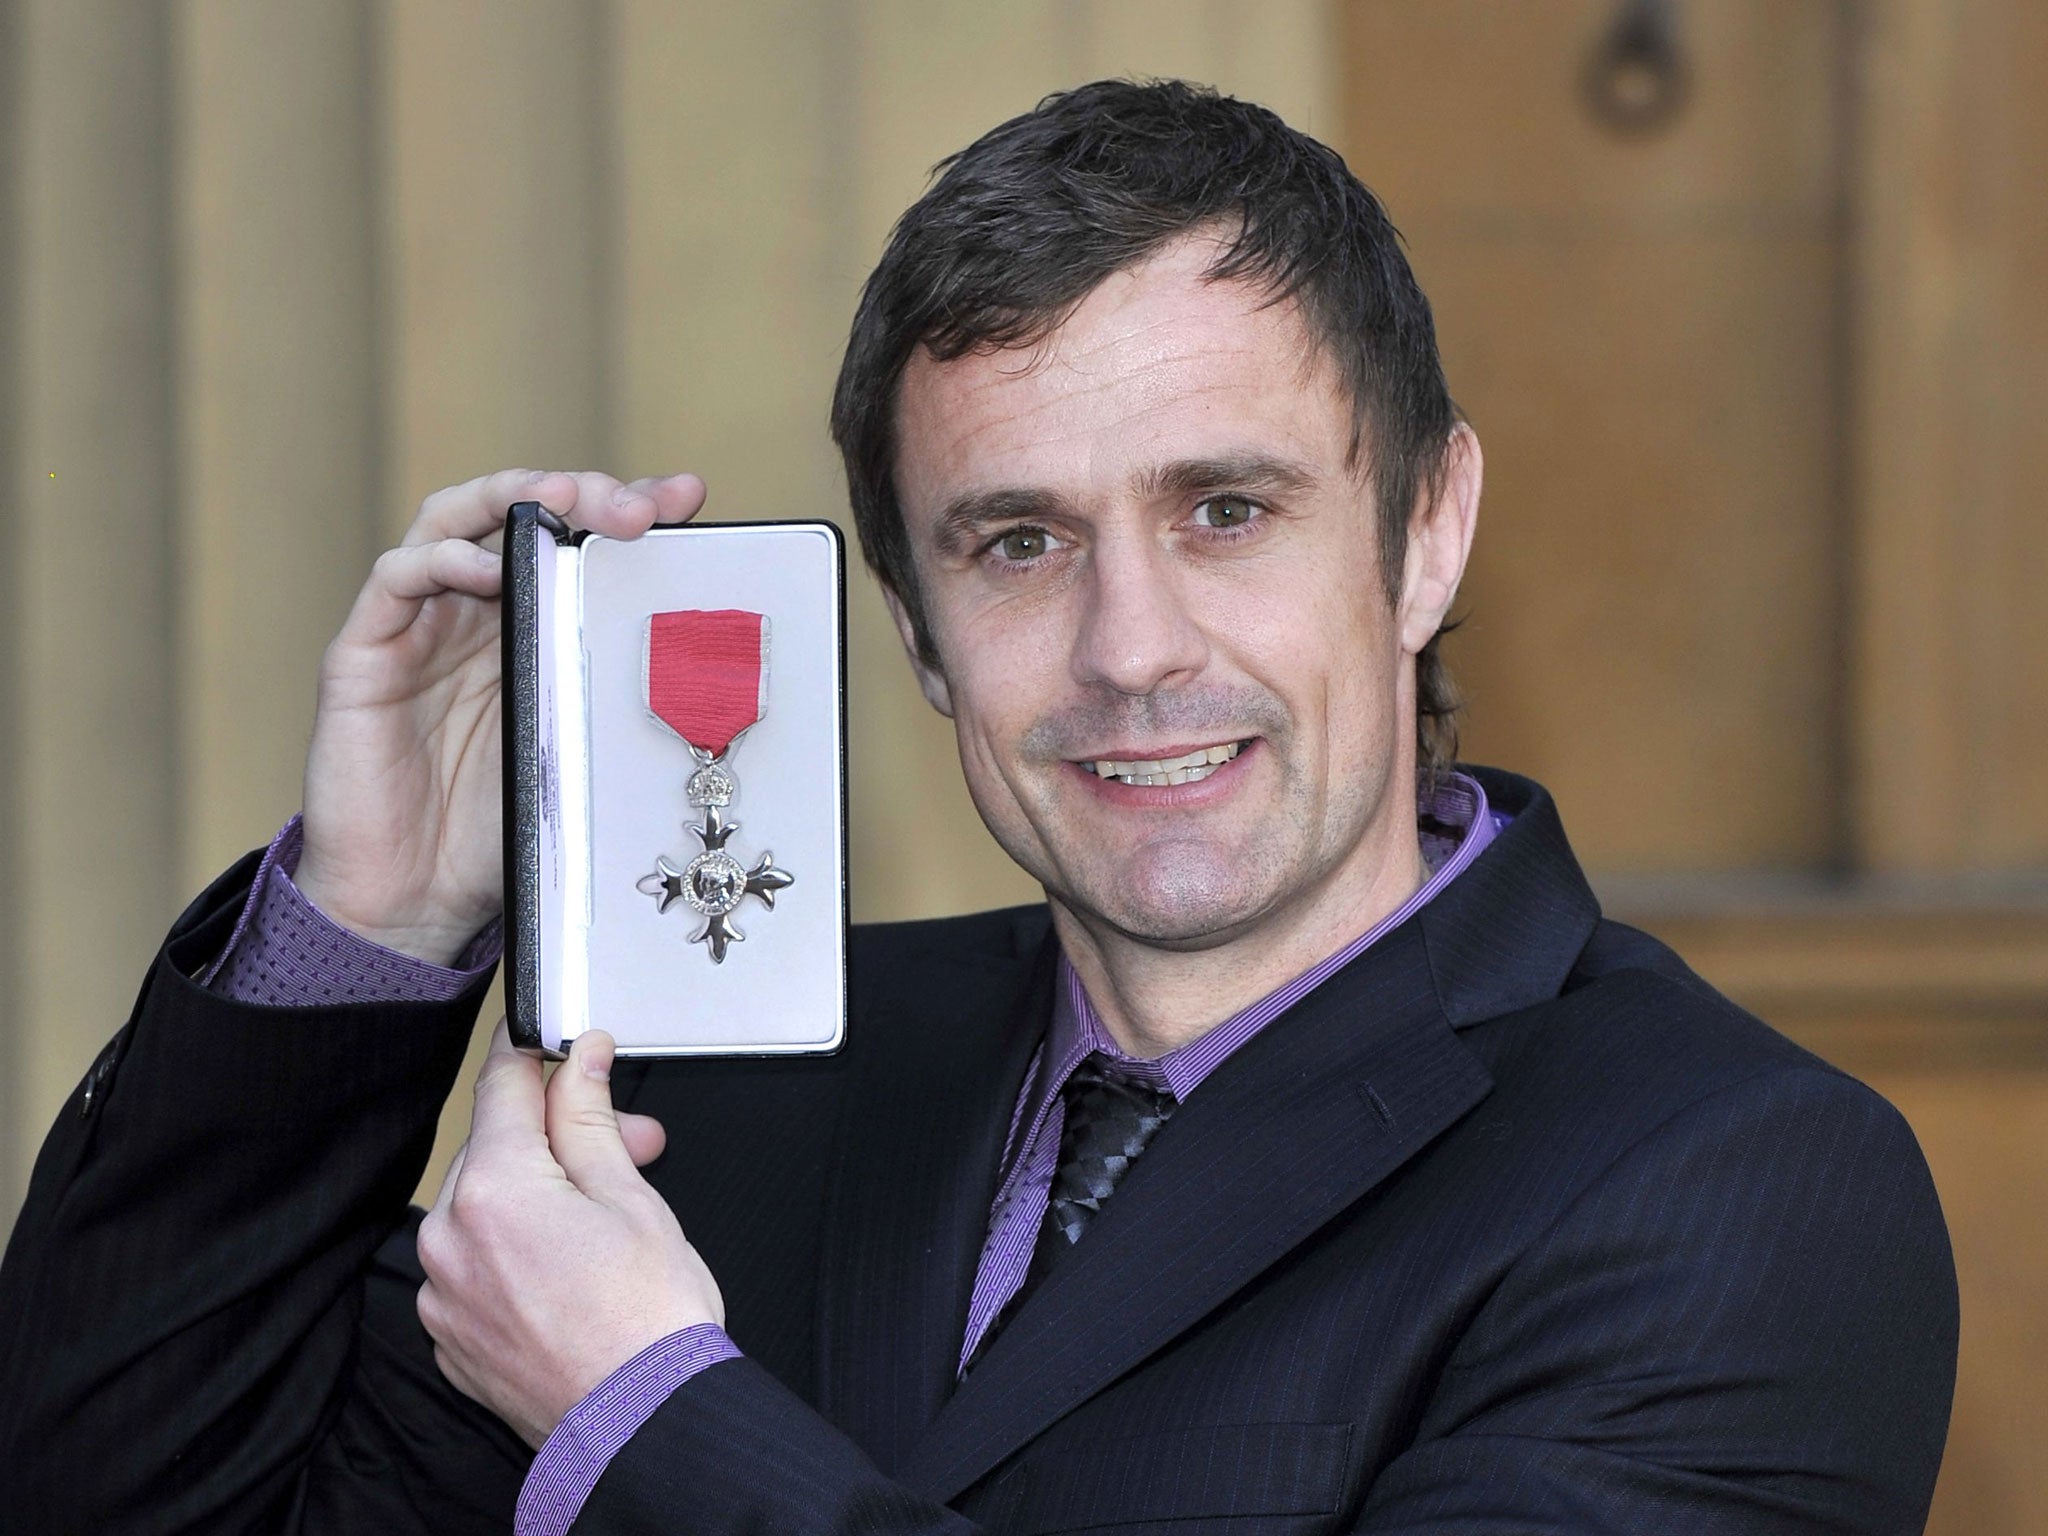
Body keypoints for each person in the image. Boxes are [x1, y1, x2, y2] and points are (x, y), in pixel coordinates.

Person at [0, 80, 1955, 1535]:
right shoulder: (743, 1076)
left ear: (1425, 527)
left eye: (1225, 510)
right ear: (918, 637)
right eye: (1016, 543)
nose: (1129, 647)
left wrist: (649, 1417)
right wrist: (376, 921)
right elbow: (124, 1491)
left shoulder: (1730, 1182)